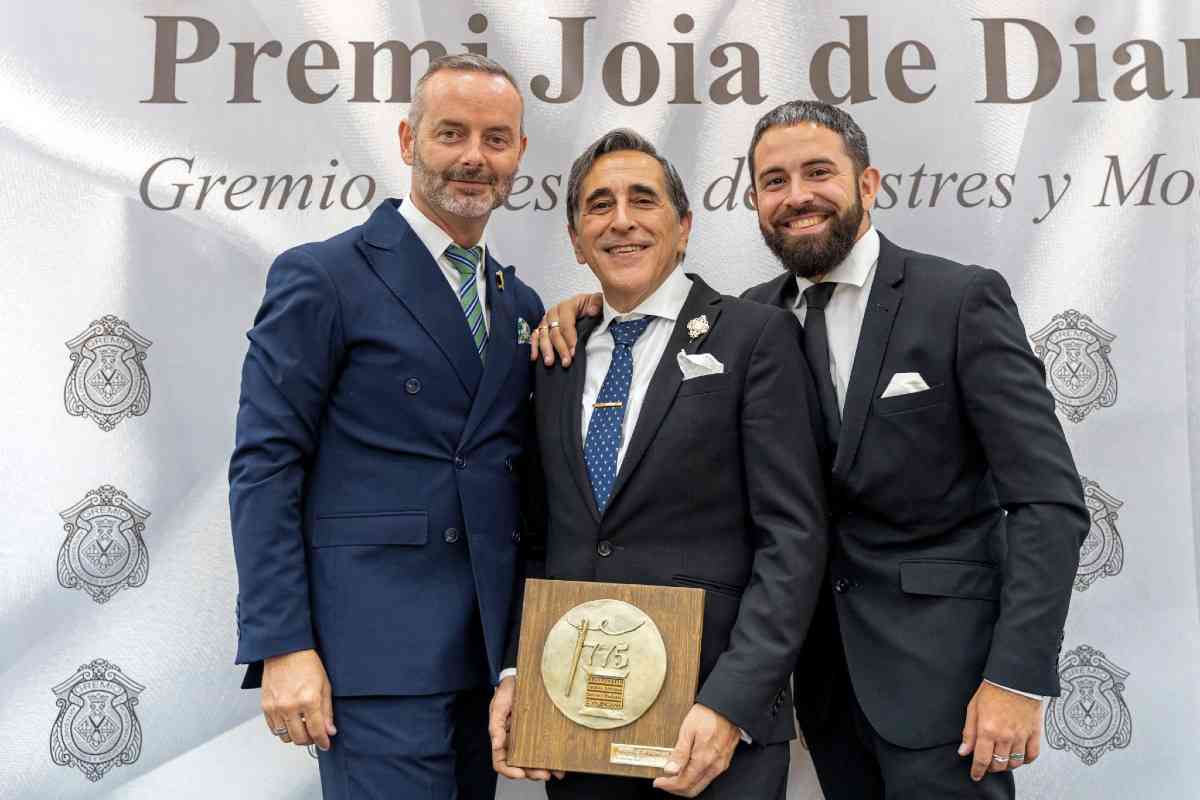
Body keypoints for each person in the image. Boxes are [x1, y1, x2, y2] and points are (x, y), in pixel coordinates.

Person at [534, 101, 1088, 799]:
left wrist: (1016, 677)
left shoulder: (958, 300)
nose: (796, 197)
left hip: (949, 681)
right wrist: (583, 311)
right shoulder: (751, 320)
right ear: (754, 202)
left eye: (818, 173)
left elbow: (1048, 502)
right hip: (823, 685)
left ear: (868, 184)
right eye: (774, 182)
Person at [228, 54, 546, 799]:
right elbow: (265, 466)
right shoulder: (324, 275)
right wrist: (282, 643)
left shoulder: (522, 304)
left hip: (484, 662)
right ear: (408, 140)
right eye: (451, 133)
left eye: (496, 138)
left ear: (520, 153)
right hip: (370, 659)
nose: (474, 156)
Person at [490, 129, 828, 799]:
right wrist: (517, 671)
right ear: (576, 240)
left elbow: (792, 538)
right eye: (599, 206)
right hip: (576, 724)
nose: (621, 221)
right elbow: (538, 539)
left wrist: (732, 701)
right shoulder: (553, 357)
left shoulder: (755, 337)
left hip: (711, 732)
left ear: (684, 228)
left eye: (643, 200)